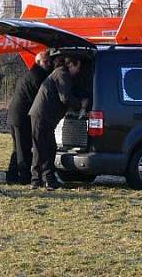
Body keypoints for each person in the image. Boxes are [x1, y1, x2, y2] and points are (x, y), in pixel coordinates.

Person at [28, 54, 89, 190]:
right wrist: (81, 104)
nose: (78, 71)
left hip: (41, 115)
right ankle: (47, 179)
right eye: (78, 67)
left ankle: (37, 180)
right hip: (43, 115)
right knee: (46, 147)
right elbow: (65, 97)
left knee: (42, 147)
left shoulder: (59, 74)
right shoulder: (62, 74)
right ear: (71, 64)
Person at [5, 50, 52, 184]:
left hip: (15, 116)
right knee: (23, 148)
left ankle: (12, 176)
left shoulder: (31, 74)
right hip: (21, 118)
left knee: (18, 148)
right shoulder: (38, 76)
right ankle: (24, 177)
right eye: (46, 61)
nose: (48, 64)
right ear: (38, 62)